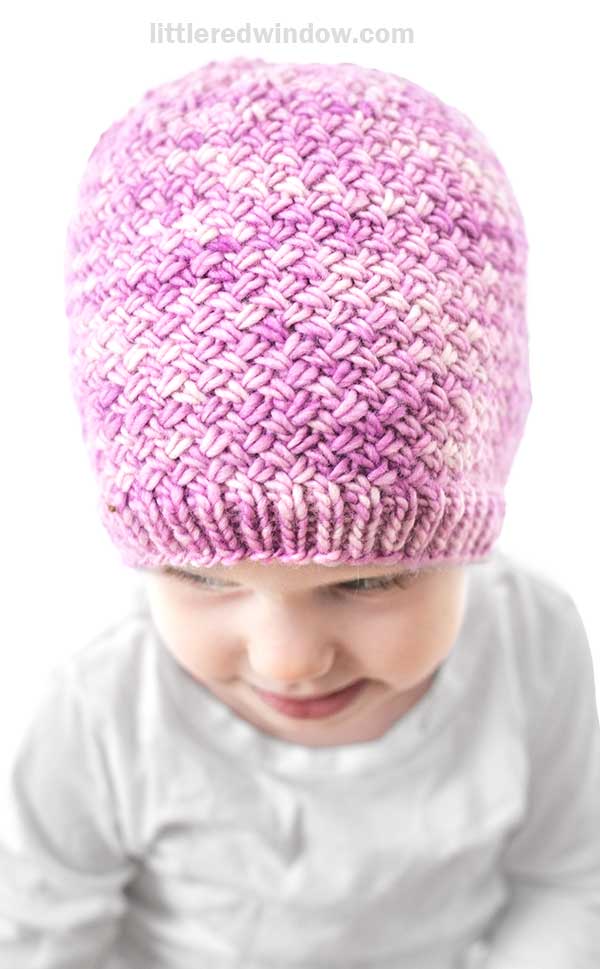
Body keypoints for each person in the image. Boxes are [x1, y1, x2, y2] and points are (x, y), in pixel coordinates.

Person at [1, 56, 598, 968]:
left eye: (365, 580)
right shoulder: (102, 712)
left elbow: (568, 877)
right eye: (203, 575)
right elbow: (38, 936)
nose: (288, 660)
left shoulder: (534, 651)